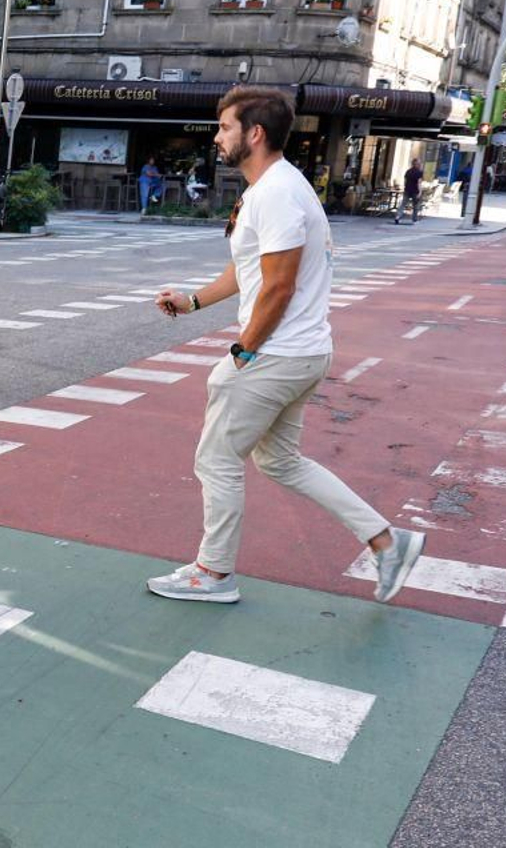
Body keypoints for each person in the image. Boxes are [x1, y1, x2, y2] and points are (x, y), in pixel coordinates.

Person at [149, 86, 424, 604]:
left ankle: (213, 574)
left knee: (217, 458)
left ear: (254, 134)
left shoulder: (276, 192)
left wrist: (244, 350)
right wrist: (191, 300)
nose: (217, 136)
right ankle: (389, 543)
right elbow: (248, 270)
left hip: (275, 355)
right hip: (301, 351)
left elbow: (279, 284)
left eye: (226, 127)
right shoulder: (275, 188)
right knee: (280, 461)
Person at [394, 157, 422, 224]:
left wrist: (405, 187)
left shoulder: (408, 171)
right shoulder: (419, 172)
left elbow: (405, 181)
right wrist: (420, 192)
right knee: (415, 205)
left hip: (407, 190)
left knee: (403, 204)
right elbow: (419, 182)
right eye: (419, 163)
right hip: (415, 191)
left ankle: (398, 217)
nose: (420, 165)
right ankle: (414, 220)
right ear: (417, 164)